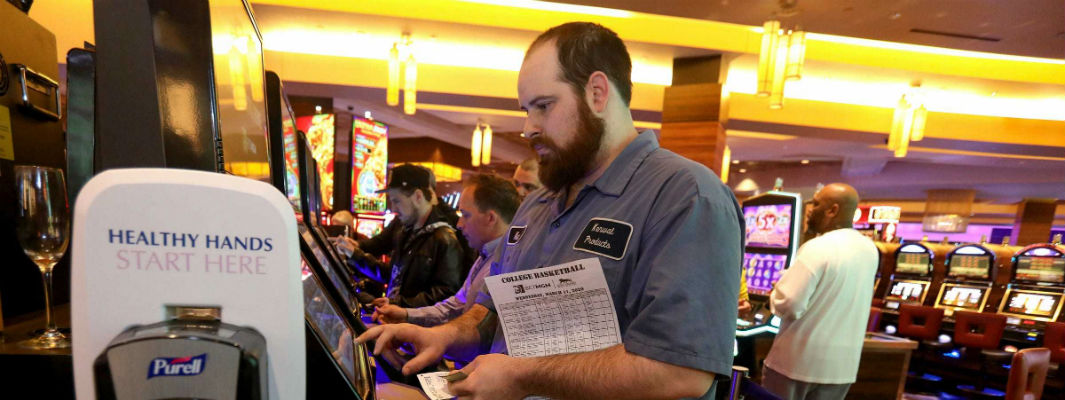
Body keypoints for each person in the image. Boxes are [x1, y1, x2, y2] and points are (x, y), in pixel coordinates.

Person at [358, 22, 743, 400]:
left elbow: (680, 372)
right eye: (527, 109)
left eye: (543, 106)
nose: (528, 127)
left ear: (596, 92)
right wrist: (441, 336)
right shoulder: (539, 203)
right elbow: (492, 315)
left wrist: (523, 376)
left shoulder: (686, 196)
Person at [762, 183, 877, 400]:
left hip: (797, 362)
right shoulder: (869, 249)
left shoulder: (818, 247)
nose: (810, 210)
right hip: (842, 368)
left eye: (815, 204)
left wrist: (775, 293)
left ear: (832, 210)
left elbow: (790, 305)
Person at [375, 174, 520, 335]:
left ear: (490, 218)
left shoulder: (513, 264)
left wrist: (424, 336)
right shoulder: (485, 254)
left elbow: (482, 334)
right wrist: (407, 315)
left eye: (465, 215)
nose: (459, 224)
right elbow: (457, 305)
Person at [336, 164, 468, 309]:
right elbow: (393, 275)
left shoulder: (444, 237)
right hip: (398, 321)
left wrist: (398, 304)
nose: (393, 208)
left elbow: (446, 296)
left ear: (418, 196)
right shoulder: (405, 231)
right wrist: (355, 254)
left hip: (418, 328)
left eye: (397, 201)